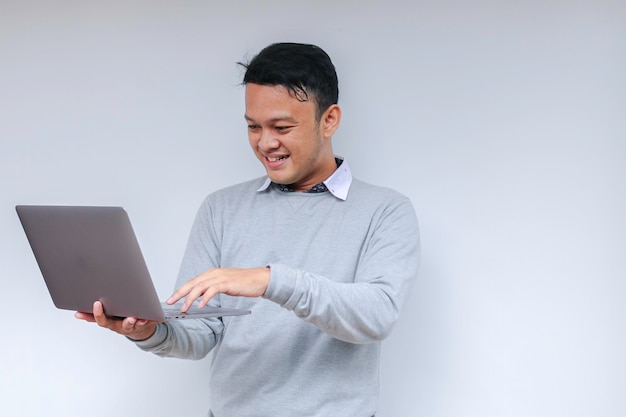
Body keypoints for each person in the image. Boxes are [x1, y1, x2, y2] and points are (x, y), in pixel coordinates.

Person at [76, 42, 420, 417]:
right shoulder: (221, 209)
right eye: (253, 127)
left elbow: (376, 316)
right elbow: (199, 332)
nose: (266, 143)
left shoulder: (385, 210)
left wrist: (270, 281)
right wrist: (147, 331)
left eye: (282, 127)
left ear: (330, 120)